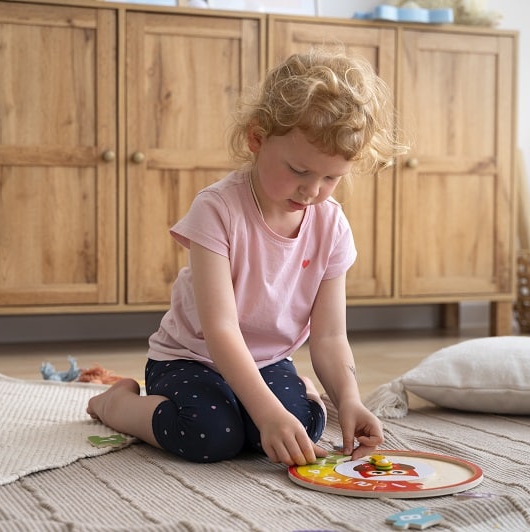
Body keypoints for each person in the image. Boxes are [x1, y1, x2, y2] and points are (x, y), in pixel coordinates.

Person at [87, 49, 406, 466]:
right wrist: (266, 410)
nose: (312, 190)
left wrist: (349, 399)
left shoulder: (331, 226)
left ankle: (300, 391)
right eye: (298, 170)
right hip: (190, 357)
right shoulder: (216, 210)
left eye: (331, 178)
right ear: (257, 139)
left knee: (300, 428)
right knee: (211, 437)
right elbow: (220, 330)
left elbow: (328, 337)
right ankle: (114, 403)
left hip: (269, 361)